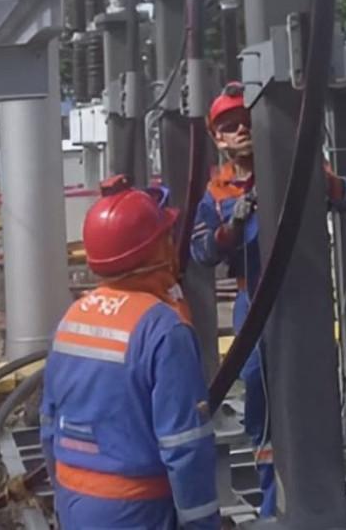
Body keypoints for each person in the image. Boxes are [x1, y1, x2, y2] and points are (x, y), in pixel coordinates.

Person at [190, 82, 346, 517]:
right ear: (217, 138)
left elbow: (344, 196)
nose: (240, 130)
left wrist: (315, 172)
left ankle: (322, 492)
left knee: (312, 390)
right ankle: (271, 501)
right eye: (228, 126)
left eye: (246, 121)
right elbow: (202, 252)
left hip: (303, 297)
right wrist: (232, 227)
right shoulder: (217, 192)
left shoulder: (292, 165)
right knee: (261, 396)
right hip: (254, 303)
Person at [40, 176, 220, 530]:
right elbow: (184, 445)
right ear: (157, 249)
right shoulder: (164, 330)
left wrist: (64, 496)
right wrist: (202, 524)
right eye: (167, 237)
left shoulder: (72, 318)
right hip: (135, 510)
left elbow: (48, 424)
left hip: (75, 503)